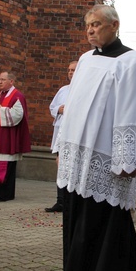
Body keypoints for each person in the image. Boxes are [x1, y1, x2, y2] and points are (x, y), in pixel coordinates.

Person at [54, 4, 136, 271]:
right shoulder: (84, 59)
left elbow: (134, 110)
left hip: (108, 156)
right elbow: (75, 105)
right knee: (77, 216)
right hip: (78, 153)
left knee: (101, 219)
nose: (90, 30)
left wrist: (127, 160)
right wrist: (63, 145)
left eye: (97, 24)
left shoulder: (131, 61)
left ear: (115, 25)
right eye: (87, 26)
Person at [0, 71, 32, 202]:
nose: (0, 82)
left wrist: (1, 109)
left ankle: (3, 194)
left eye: (3, 79)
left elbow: (18, 115)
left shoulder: (17, 96)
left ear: (11, 81)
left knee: (3, 165)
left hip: (7, 137)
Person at [45, 61, 77, 213]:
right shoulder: (63, 90)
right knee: (60, 166)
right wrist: (59, 109)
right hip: (60, 133)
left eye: (74, 70)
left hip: (75, 134)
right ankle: (61, 201)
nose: (70, 72)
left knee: (72, 167)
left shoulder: (84, 89)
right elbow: (52, 107)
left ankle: (72, 202)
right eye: (69, 70)